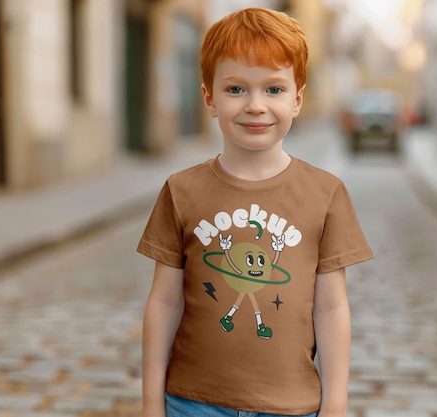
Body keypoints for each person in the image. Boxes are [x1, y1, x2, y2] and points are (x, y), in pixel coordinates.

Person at [137, 7, 373, 417]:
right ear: (209, 97)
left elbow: (331, 306)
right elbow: (164, 300)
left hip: (291, 406)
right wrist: (151, 403)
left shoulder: (326, 194)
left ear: (297, 99)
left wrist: (335, 404)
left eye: (274, 90)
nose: (255, 106)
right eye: (235, 89)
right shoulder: (181, 191)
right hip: (193, 404)